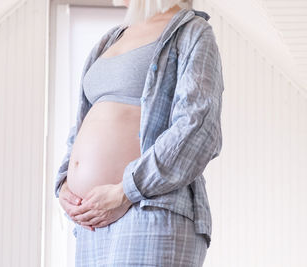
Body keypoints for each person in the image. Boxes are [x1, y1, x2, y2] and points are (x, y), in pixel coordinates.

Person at [55, 0, 224, 266]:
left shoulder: (192, 31)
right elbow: (82, 124)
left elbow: (197, 128)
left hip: (149, 209)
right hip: (92, 220)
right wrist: (65, 183)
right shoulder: (110, 40)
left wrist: (126, 191)